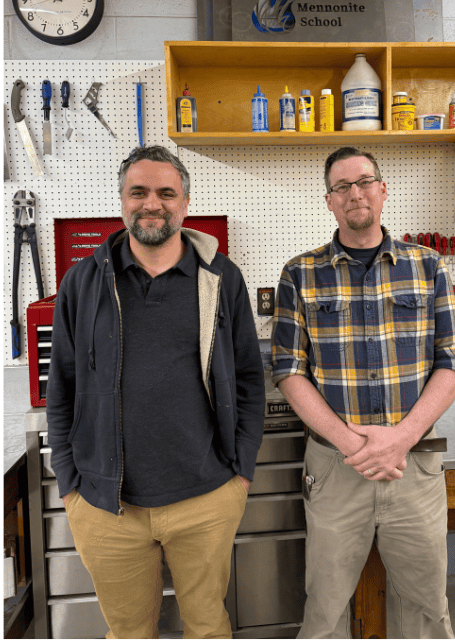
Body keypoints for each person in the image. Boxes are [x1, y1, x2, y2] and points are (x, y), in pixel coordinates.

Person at [46, 145, 265, 640]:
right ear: (121, 201)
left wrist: (241, 473)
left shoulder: (220, 278)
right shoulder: (82, 282)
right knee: (128, 634)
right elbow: (61, 386)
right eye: (138, 191)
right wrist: (69, 483)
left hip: (207, 496)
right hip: (106, 505)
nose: (152, 204)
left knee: (208, 628)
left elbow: (250, 378)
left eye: (166, 193)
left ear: (184, 204)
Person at [271, 146, 455, 640]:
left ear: (382, 190)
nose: (354, 194)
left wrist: (399, 439)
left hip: (414, 467)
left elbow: (454, 363)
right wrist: (351, 444)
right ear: (329, 202)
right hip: (336, 471)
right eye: (342, 187)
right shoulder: (299, 274)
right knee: (325, 610)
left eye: (364, 182)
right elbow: (289, 372)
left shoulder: (428, 267)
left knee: (428, 607)